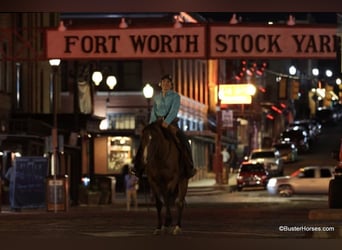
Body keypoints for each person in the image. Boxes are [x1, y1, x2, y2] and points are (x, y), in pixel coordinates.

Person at [147, 74, 196, 179]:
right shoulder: (157, 98)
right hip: (158, 124)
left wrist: (167, 121)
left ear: (171, 85)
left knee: (184, 141)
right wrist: (151, 125)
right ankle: (144, 166)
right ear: (161, 84)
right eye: (164, 82)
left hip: (171, 124)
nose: (166, 84)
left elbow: (174, 111)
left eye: (168, 82)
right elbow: (153, 112)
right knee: (148, 143)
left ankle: (189, 166)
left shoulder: (175, 97)